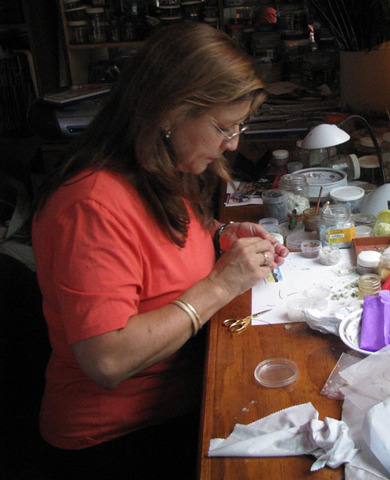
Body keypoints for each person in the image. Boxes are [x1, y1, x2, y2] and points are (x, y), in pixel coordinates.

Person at [31, 21, 288, 480]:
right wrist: (221, 283)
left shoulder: (162, 169)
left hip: (185, 394)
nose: (233, 143)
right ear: (170, 112)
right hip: (115, 439)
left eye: (241, 126)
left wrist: (222, 237)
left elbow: (167, 244)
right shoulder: (90, 204)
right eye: (224, 127)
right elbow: (107, 360)